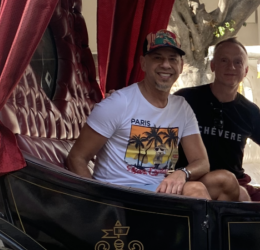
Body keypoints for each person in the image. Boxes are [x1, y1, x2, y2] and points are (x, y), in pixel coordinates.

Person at [67, 30, 210, 198]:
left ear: (181, 66)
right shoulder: (118, 103)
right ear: (143, 63)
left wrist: (182, 173)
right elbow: (76, 158)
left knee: (224, 180)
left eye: (172, 59)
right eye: (157, 57)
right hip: (119, 195)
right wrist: (96, 203)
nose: (166, 64)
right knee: (196, 190)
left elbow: (201, 162)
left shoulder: (181, 107)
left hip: (156, 191)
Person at [175, 39, 260, 201]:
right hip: (193, 181)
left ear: (245, 70)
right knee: (241, 195)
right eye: (224, 60)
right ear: (213, 66)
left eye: (237, 62)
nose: (231, 67)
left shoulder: (250, 112)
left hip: (236, 182)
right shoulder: (186, 99)